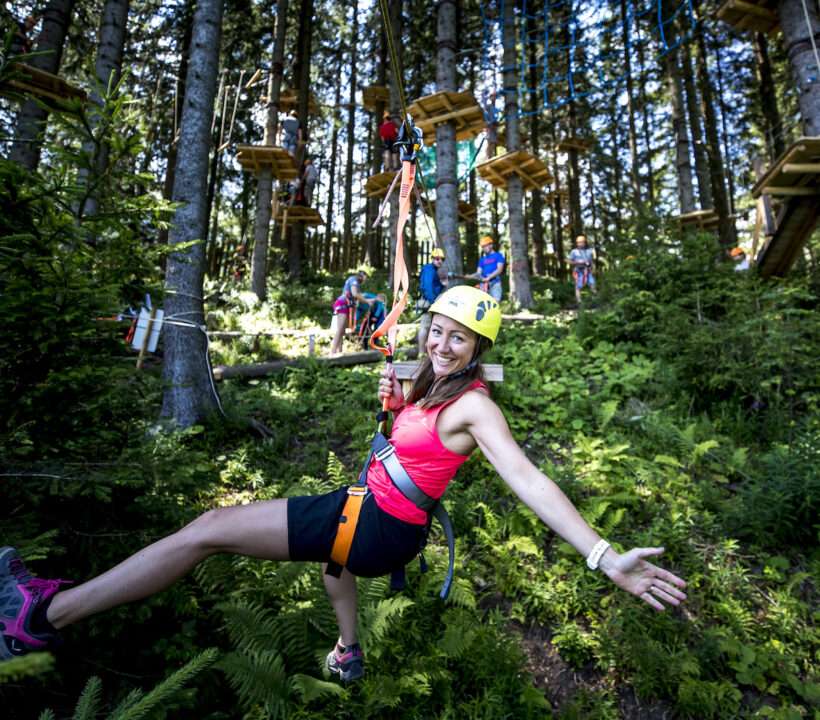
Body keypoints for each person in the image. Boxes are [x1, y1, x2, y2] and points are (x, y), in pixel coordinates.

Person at [0, 287, 688, 682]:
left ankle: (41, 618)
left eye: (459, 340)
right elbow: (413, 445)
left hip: (383, 527)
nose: (442, 344)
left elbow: (528, 479)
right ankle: (349, 649)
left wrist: (601, 555)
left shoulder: (476, 405)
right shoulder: (431, 384)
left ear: (480, 351)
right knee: (335, 566)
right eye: (437, 332)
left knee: (207, 531)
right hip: (376, 519)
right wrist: (394, 405)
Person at [330, 268, 376, 356]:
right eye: (365, 278)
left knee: (342, 330)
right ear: (362, 275)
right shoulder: (354, 280)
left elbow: (358, 297)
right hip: (343, 303)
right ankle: (332, 352)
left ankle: (339, 352)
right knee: (340, 330)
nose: (365, 280)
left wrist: (369, 300)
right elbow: (355, 294)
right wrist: (367, 301)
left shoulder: (355, 282)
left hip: (347, 306)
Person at [417, 247, 448, 355]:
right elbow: (428, 287)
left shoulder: (432, 270)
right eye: (437, 258)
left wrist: (442, 285)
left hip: (430, 300)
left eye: (442, 259)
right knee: (425, 326)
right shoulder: (429, 269)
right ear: (432, 259)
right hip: (429, 301)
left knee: (429, 326)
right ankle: (421, 352)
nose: (440, 261)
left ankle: (425, 352)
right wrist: (433, 302)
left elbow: (435, 287)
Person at [470, 235, 505, 302]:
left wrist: (489, 277)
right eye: (482, 247)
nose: (484, 248)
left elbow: (499, 270)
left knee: (495, 303)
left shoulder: (498, 256)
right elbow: (478, 273)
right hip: (483, 285)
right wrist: (471, 276)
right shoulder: (482, 259)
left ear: (491, 245)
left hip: (495, 283)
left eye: (485, 246)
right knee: (482, 302)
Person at [568, 235, 597, 304]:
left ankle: (595, 301)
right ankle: (579, 302)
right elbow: (569, 261)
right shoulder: (574, 252)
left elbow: (591, 261)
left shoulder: (589, 251)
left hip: (588, 271)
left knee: (592, 284)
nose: (580, 244)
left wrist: (593, 268)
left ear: (585, 242)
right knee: (578, 286)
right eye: (579, 242)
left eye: (582, 242)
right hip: (578, 271)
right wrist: (578, 262)